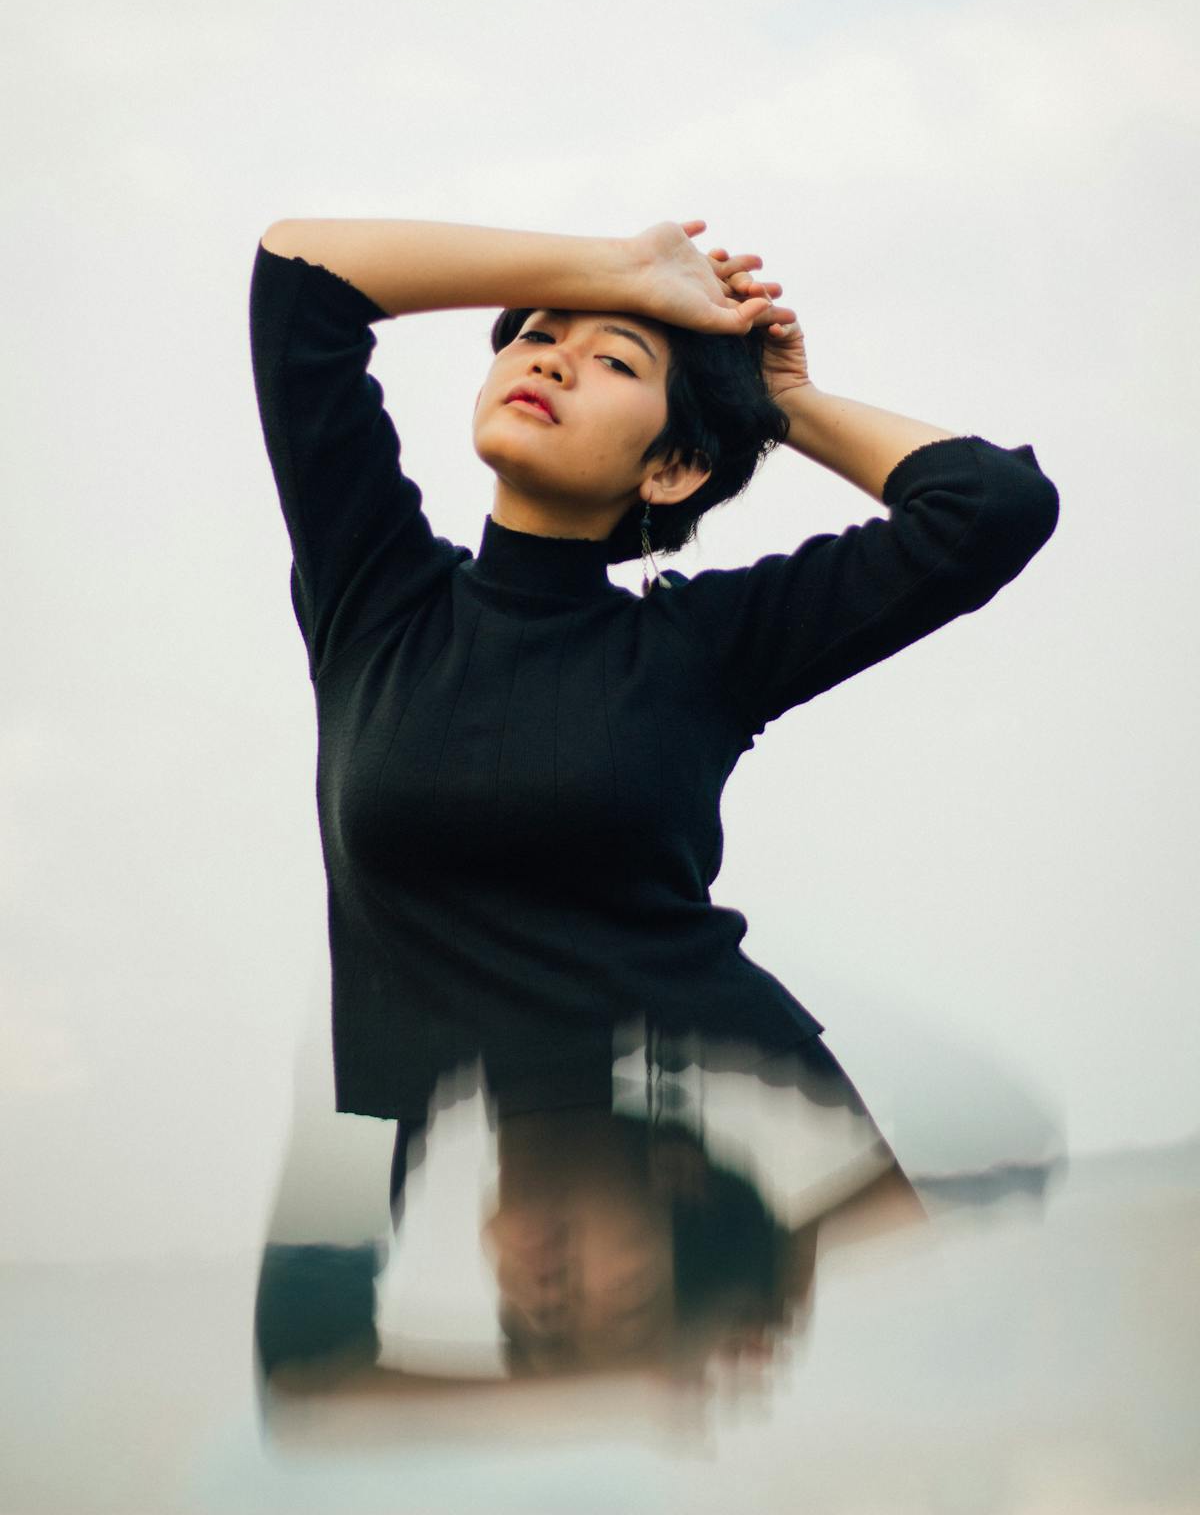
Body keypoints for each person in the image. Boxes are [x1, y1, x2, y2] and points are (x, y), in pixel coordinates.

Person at [247, 214, 1060, 1395]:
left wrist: (780, 405)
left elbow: (990, 508)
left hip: (755, 1129)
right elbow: (301, 280)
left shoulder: (700, 645)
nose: (550, 355)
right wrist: (613, 270)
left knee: (848, 1430)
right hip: (484, 1148)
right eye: (532, 332)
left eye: (617, 358)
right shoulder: (376, 599)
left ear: (673, 469)